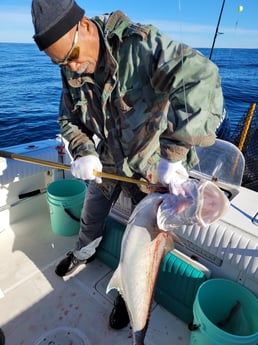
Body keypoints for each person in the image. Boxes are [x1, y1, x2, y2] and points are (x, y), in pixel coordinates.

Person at [31, 0, 224, 330]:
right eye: (60, 62)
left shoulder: (141, 46)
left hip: (149, 174)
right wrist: (82, 152)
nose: (71, 67)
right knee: (92, 214)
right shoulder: (70, 66)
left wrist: (173, 156)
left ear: (86, 27)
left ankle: (126, 294)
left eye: (71, 56)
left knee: (138, 247)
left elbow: (202, 80)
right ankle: (83, 253)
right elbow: (68, 119)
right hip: (106, 164)